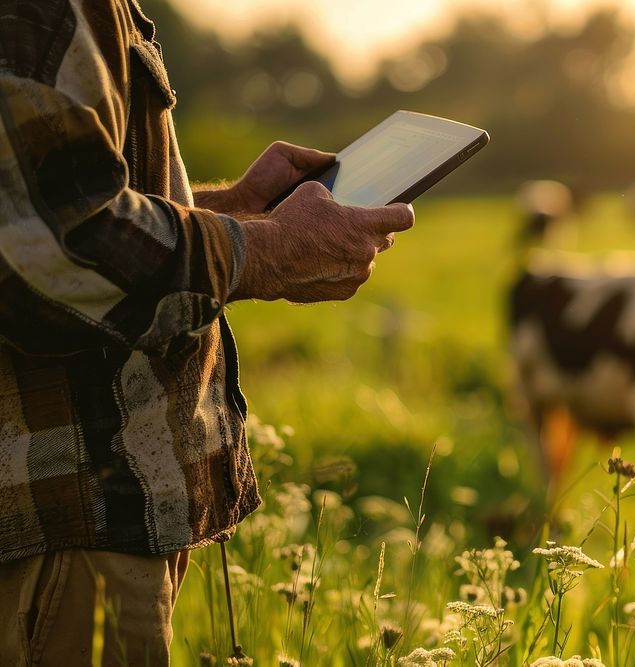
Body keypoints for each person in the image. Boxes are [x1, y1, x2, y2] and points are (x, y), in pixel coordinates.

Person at [0, 0, 414, 664]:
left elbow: (55, 201)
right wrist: (266, 250)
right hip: (62, 524)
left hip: (89, 517)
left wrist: (237, 211)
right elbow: (50, 250)